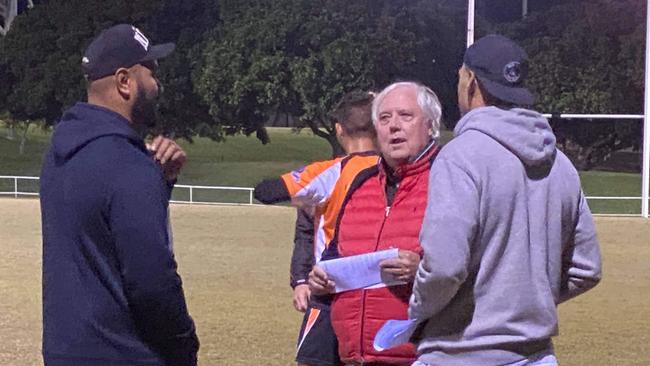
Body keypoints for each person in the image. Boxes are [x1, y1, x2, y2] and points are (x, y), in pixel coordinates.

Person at [408, 34, 602, 366]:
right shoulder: (562, 165)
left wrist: (418, 309)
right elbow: (586, 268)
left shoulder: (460, 156)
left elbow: (443, 267)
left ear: (470, 82)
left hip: (457, 353)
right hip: (535, 356)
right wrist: (525, 303)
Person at [40, 24, 199, 366]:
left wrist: (161, 183)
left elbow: (100, 237)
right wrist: (184, 344)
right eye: (152, 72)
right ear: (125, 81)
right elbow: (152, 282)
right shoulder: (128, 164)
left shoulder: (58, 154)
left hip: (66, 351)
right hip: (125, 353)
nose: (159, 84)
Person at [309, 81, 443, 365]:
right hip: (354, 357)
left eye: (405, 116)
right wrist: (320, 276)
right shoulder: (360, 184)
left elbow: (480, 267)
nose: (393, 126)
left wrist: (423, 270)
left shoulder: (450, 181)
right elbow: (336, 253)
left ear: (431, 126)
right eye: (384, 118)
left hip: (422, 356)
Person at [254, 90, 379, 366]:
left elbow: (266, 191)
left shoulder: (330, 172)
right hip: (380, 297)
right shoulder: (397, 170)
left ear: (338, 130)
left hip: (330, 294)